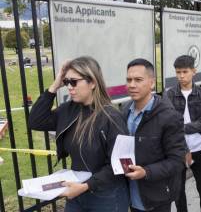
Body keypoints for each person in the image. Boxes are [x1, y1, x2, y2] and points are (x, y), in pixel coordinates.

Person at [28, 56, 129, 212]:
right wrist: (55, 85)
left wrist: (86, 186)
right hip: (77, 191)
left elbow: (120, 166)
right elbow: (36, 121)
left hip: (106, 195)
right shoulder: (68, 110)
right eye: (66, 82)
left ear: (93, 82)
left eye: (74, 81)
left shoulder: (111, 118)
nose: (69, 87)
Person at [123, 58, 187, 212]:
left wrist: (146, 172)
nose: (132, 85)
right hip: (129, 194)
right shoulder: (125, 111)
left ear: (152, 83)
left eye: (138, 80)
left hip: (156, 197)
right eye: (129, 80)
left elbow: (177, 161)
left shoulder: (169, 116)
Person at [164, 55, 201, 212]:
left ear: (194, 71)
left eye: (185, 71)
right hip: (178, 149)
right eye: (178, 72)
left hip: (199, 147)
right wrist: (184, 147)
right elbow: (169, 126)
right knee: (178, 189)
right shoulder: (169, 94)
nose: (181, 76)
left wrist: (182, 127)